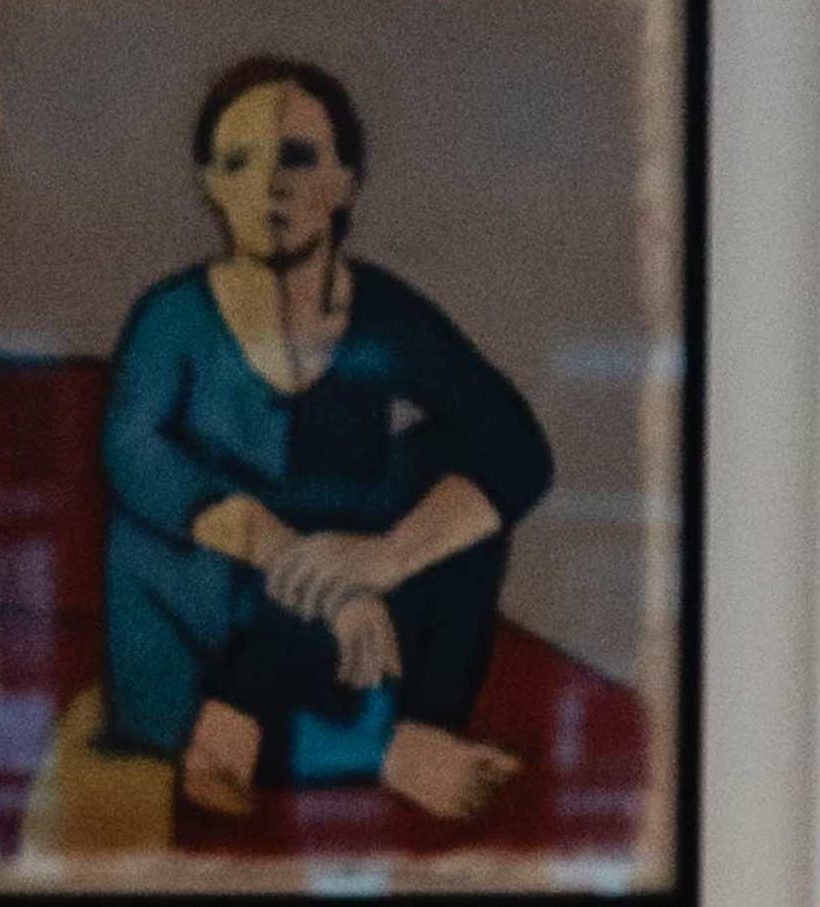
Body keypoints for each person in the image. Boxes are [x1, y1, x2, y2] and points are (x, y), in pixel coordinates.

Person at [96, 56, 556, 825]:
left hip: (344, 607)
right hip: (213, 603)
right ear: (210, 182)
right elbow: (135, 457)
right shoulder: (171, 317)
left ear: (347, 181)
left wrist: (386, 556)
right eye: (240, 162)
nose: (271, 184)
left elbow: (519, 446)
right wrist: (312, 570)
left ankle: (407, 728)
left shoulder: (384, 313)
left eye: (300, 158)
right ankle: (357, 743)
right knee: (169, 515)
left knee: (458, 465)